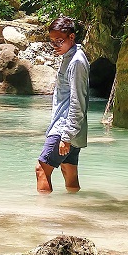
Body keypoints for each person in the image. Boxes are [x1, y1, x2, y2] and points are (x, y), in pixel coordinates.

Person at [36, 16, 89, 193]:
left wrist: (66, 136)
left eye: (59, 41)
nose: (55, 46)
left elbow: (77, 101)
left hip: (64, 128)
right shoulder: (71, 56)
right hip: (73, 129)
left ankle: (43, 215)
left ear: (72, 37)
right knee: (69, 171)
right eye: (52, 41)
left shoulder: (76, 62)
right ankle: (73, 214)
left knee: (42, 170)